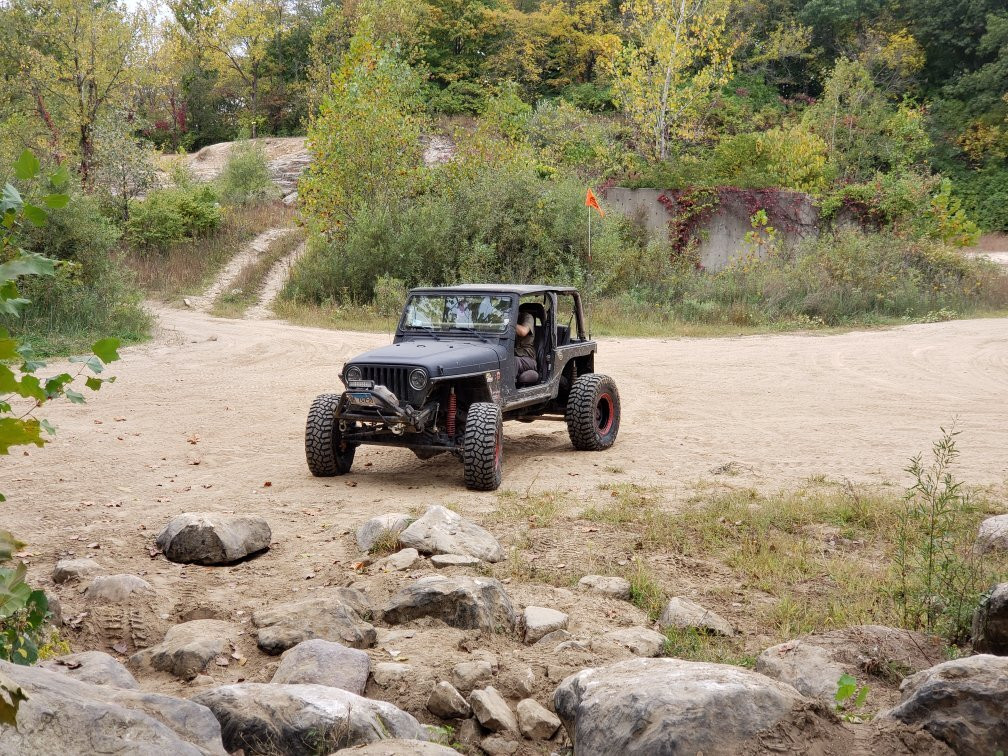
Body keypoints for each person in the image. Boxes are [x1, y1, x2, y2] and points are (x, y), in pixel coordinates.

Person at [515, 310, 536, 378]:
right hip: (512, 353)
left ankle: (506, 387)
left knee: (513, 361)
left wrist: (506, 322)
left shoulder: (527, 317)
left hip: (528, 357)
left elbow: (523, 331)